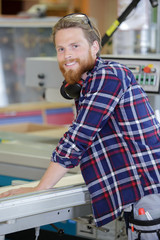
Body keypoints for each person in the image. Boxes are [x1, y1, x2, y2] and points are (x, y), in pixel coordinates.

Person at [1, 13, 160, 233]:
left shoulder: (108, 75)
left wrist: (39, 189)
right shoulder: (87, 86)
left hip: (150, 192)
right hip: (139, 194)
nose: (67, 55)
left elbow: (77, 139)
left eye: (75, 46)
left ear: (95, 47)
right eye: (61, 49)